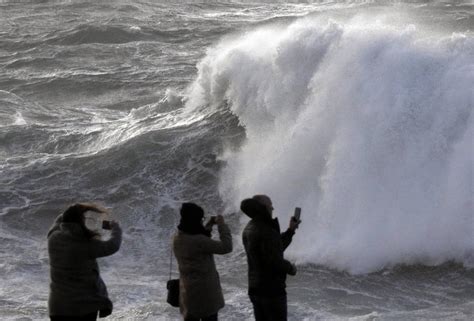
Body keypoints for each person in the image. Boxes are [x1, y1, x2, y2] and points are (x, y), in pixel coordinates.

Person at [47, 203, 122, 321]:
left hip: (58, 307)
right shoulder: (85, 245)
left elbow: (58, 222)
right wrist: (115, 228)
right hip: (83, 308)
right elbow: (112, 246)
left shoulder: (53, 238)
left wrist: (71, 211)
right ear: (80, 222)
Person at [241, 195, 301, 321]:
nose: (272, 208)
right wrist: (291, 268)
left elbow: (273, 249)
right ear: (262, 208)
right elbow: (274, 261)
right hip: (271, 291)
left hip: (255, 288)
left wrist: (290, 230)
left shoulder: (249, 227)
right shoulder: (266, 229)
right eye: (270, 205)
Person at [173, 202, 233, 321]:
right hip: (205, 294)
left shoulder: (178, 237)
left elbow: (198, 239)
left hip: (187, 292)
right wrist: (222, 225)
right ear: (195, 220)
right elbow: (226, 247)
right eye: (201, 219)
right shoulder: (199, 241)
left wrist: (209, 225)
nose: (202, 221)